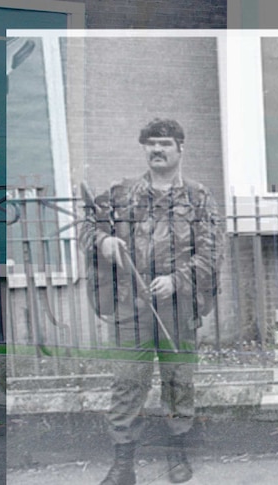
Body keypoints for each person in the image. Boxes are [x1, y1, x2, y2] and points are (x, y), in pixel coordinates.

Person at [80, 118, 223, 485]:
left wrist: (177, 280)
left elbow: (211, 252)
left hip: (179, 308)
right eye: (150, 143)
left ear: (180, 148)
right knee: (128, 381)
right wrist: (103, 243)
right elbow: (88, 227)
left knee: (178, 380)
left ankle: (177, 454)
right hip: (131, 307)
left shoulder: (198, 197)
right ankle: (123, 463)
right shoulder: (121, 194)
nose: (157, 149)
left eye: (165, 143)